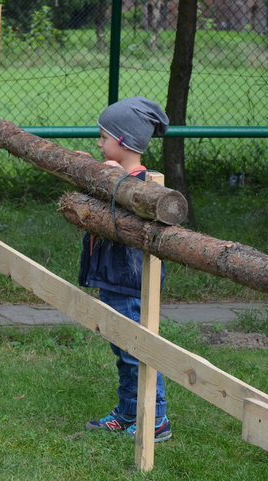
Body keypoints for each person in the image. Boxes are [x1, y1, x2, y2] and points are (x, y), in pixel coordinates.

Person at [78, 96, 172, 442]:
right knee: (122, 347)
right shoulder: (114, 177)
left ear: (123, 141)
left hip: (130, 282)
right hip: (112, 279)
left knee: (138, 350)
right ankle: (129, 411)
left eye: (103, 137)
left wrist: (115, 181)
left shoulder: (142, 187)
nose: (98, 143)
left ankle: (156, 418)